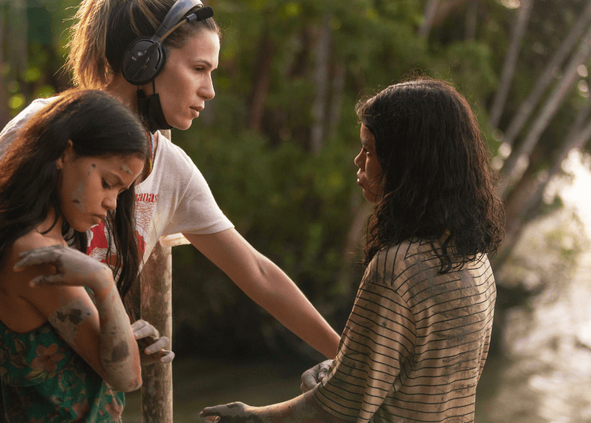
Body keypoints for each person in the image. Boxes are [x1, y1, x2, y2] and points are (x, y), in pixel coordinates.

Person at [0, 0, 342, 423]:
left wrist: (348, 357)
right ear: (144, 60)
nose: (209, 90)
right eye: (198, 68)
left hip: (83, 391)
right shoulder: (46, 129)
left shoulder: (171, 168)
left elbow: (257, 272)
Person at [201, 79, 505, 423]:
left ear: (407, 161)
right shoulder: (475, 262)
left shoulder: (398, 267)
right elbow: (416, 382)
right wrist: (341, 370)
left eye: (370, 150)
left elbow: (336, 413)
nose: (358, 160)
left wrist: (251, 415)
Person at [0, 89, 155, 422]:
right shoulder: (36, 256)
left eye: (121, 191)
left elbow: (84, 356)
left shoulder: (50, 242)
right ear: (64, 153)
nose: (112, 203)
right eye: (107, 183)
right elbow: (127, 378)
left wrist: (127, 342)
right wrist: (102, 280)